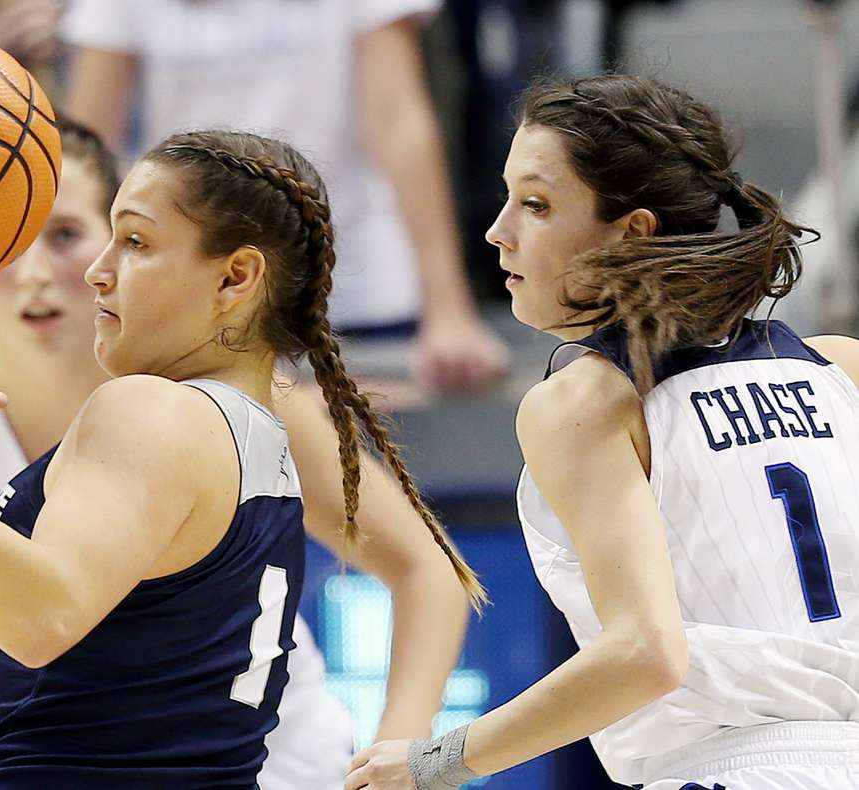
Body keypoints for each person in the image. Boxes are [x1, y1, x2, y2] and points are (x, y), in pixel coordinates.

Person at [0, 128, 485, 787]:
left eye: (124, 241)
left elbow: (38, 623)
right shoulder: (230, 420)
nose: (89, 270)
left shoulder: (148, 410)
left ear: (235, 279)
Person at [347, 74, 859, 790]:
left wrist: (435, 760)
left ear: (631, 231)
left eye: (536, 204)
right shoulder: (841, 368)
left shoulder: (584, 401)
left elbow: (646, 653)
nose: (498, 231)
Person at [60, 0, 511, 393]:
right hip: (197, 291)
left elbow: (398, 121)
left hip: (355, 283)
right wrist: (92, 304)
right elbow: (90, 148)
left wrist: (449, 309)